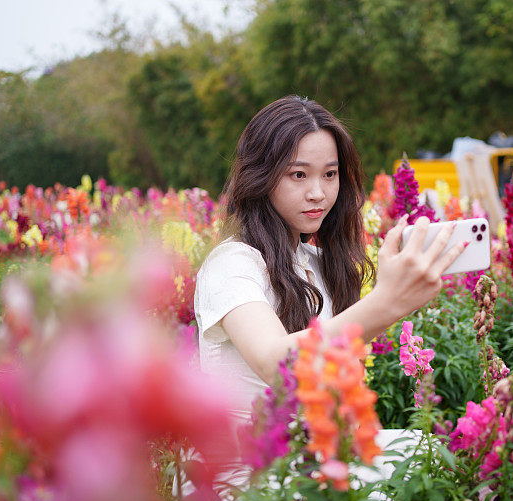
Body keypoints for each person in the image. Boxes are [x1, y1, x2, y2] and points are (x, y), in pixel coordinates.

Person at [194, 95, 467, 425]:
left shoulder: (316, 262)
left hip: (313, 463)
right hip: (250, 471)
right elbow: (274, 363)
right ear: (260, 178)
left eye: (329, 174)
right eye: (298, 175)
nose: (318, 193)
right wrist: (387, 303)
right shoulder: (231, 263)